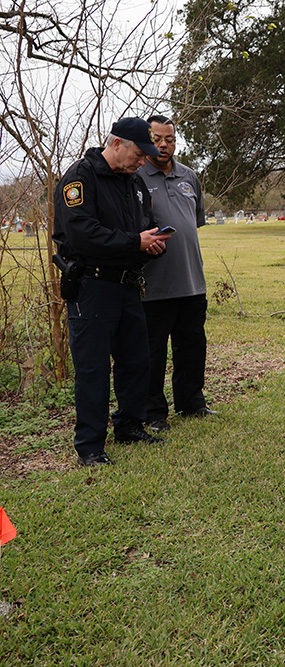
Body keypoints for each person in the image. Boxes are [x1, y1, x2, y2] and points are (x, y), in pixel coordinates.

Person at [52, 117, 169, 466]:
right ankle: (89, 445)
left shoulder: (133, 184)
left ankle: (130, 425)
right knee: (93, 367)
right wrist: (135, 242)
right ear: (116, 144)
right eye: (138, 153)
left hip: (128, 285)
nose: (143, 160)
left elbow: (143, 225)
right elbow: (81, 234)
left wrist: (152, 239)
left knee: (136, 360)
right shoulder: (80, 178)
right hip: (92, 285)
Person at [138, 115, 217, 433]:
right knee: (153, 352)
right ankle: (154, 411)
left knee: (193, 346)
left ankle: (192, 401)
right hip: (154, 285)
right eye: (157, 138)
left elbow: (193, 223)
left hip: (192, 280)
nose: (163, 144)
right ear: (147, 140)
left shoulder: (189, 176)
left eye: (169, 139)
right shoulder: (136, 176)